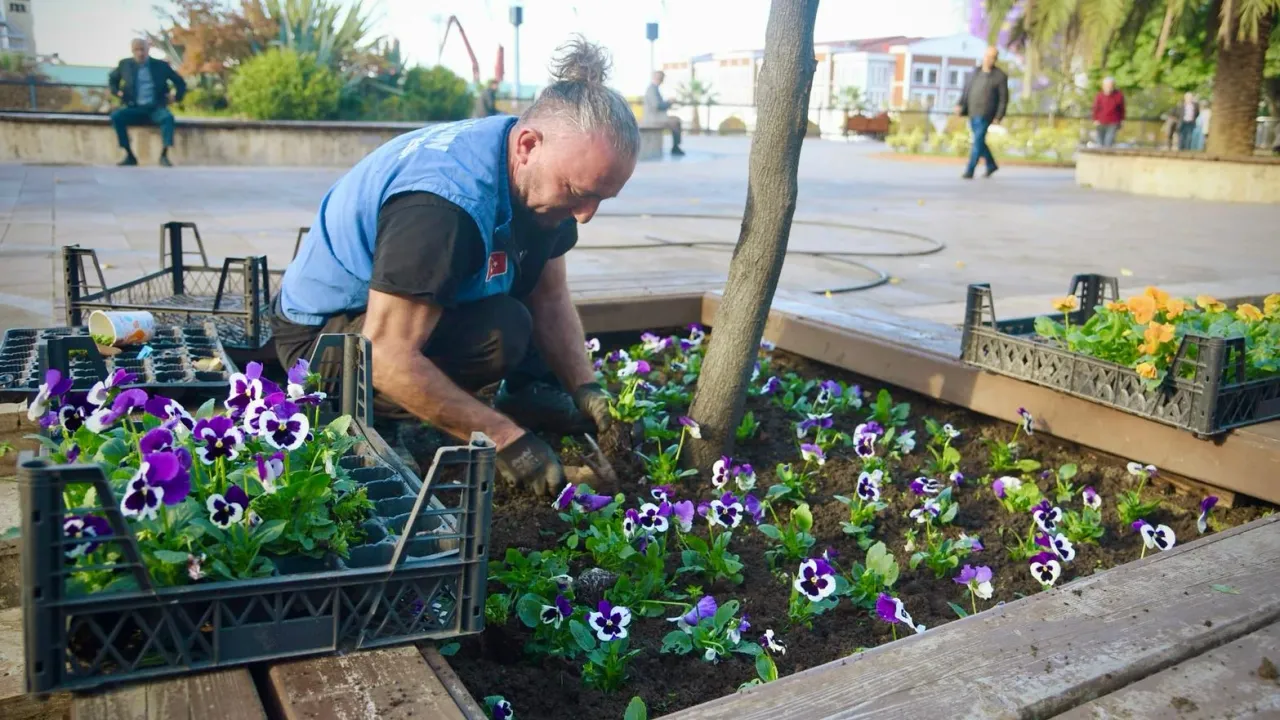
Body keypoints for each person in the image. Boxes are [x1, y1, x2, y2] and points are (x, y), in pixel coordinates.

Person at [271, 37, 638, 497]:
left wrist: (584, 387)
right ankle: (370, 421)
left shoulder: (535, 168)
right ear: (528, 145)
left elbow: (549, 296)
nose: (585, 215)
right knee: (498, 333)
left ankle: (526, 392)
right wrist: (507, 441)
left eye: (601, 198)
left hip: (388, 314)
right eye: (579, 193)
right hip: (323, 342)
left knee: (511, 313)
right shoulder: (441, 208)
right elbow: (384, 354)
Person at [107, 38, 186, 167]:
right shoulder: (124, 64)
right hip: (134, 107)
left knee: (168, 118)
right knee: (116, 116)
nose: (140, 53)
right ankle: (129, 155)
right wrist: (117, 92)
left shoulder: (161, 66)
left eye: (142, 49)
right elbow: (112, 79)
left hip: (156, 108)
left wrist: (176, 97)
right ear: (132, 51)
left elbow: (180, 82)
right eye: (136, 50)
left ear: (148, 49)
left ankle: (164, 155)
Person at [955, 46, 1008, 179]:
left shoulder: (1000, 76)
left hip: (987, 113)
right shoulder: (975, 72)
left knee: (977, 141)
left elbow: (1003, 98)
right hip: (972, 111)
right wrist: (960, 104)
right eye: (987, 56)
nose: (989, 59)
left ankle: (970, 169)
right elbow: (966, 90)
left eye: (992, 57)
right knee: (979, 141)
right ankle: (991, 165)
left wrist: (999, 116)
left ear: (996, 59)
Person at [643, 70, 684, 156]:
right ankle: (675, 147)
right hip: (653, 118)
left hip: (657, 117)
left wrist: (668, 103)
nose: (662, 80)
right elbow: (657, 105)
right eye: (661, 78)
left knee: (676, 120)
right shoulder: (652, 89)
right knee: (675, 122)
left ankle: (676, 146)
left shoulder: (655, 88)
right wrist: (669, 102)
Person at [1092, 76, 1125, 148]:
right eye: (1106, 85)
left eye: (1110, 85)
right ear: (1103, 86)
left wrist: (1122, 120)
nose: (1108, 87)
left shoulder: (1118, 95)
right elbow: (1095, 108)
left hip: (1113, 122)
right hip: (1101, 122)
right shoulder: (1099, 96)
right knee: (1100, 143)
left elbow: (1122, 109)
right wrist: (1095, 119)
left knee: (1108, 142)